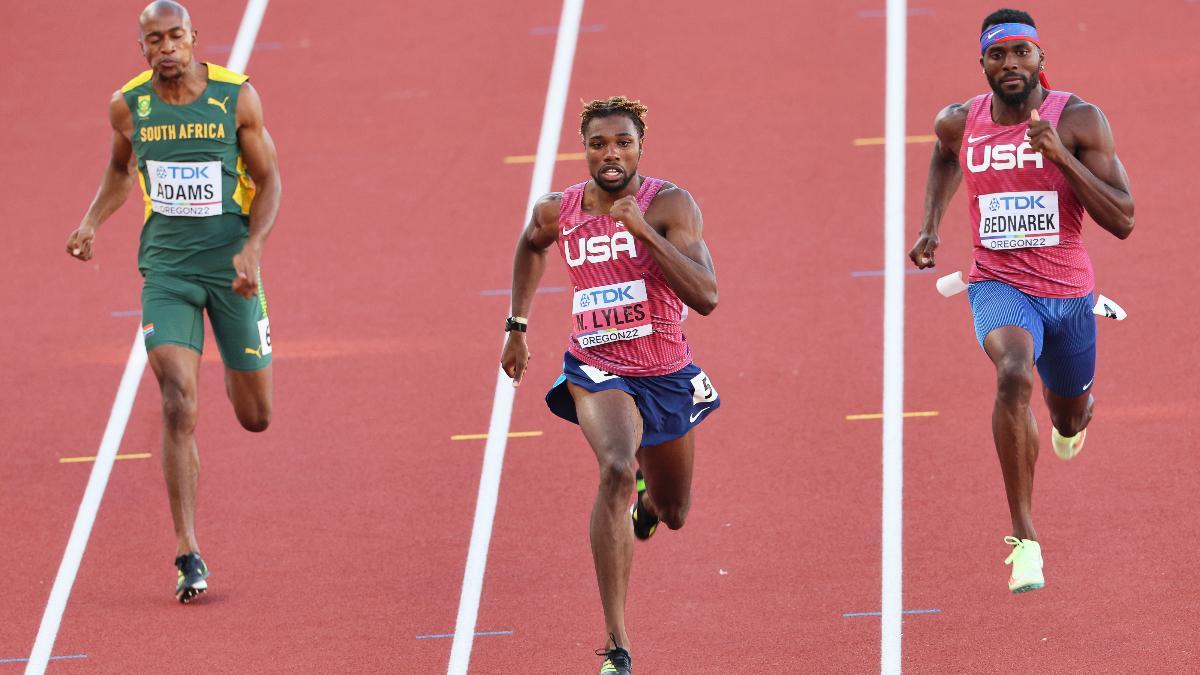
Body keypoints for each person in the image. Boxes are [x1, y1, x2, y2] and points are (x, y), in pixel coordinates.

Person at [909, 8, 1134, 593]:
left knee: (1068, 415)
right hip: (997, 282)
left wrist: (1060, 156)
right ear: (982, 62)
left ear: (1041, 58)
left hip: (1069, 292)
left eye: (1021, 53)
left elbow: (1124, 219)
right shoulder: (961, 120)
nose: (1010, 64)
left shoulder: (1080, 119)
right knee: (1013, 373)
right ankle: (1025, 537)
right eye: (997, 55)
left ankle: (1071, 421)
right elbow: (942, 153)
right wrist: (931, 223)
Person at [65, 0, 281, 603]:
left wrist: (253, 250)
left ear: (193, 38)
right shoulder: (127, 105)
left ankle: (236, 358)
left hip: (232, 269)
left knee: (255, 416)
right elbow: (119, 170)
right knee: (176, 398)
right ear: (142, 48)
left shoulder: (237, 98)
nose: (166, 48)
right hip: (166, 270)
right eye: (154, 40)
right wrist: (90, 224)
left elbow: (270, 181)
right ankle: (188, 550)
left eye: (175, 36)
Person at [501, 96, 719, 673]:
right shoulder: (561, 210)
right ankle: (617, 645)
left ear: (640, 146)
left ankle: (648, 506)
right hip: (597, 368)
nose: (611, 154)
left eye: (623, 142)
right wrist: (517, 327)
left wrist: (644, 232)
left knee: (674, 511)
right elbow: (529, 244)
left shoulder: (669, 204)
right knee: (617, 466)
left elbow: (707, 296)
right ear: (585, 149)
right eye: (599, 143)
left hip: (666, 370)